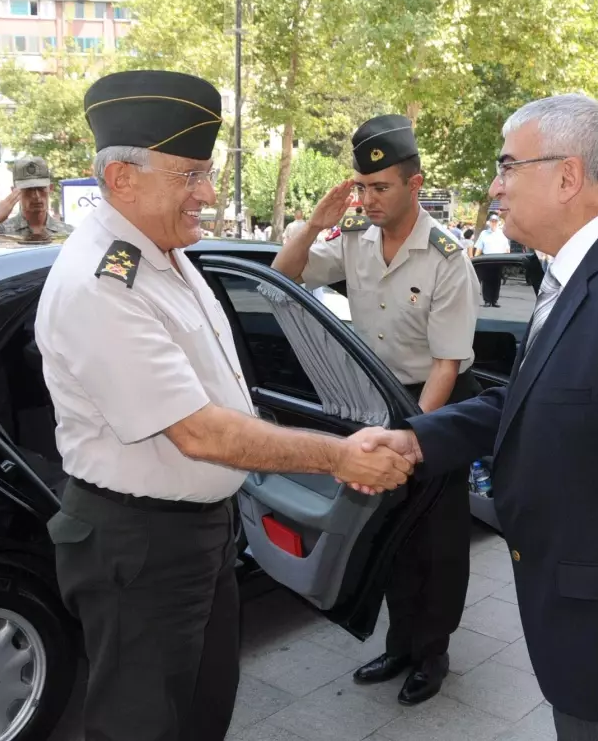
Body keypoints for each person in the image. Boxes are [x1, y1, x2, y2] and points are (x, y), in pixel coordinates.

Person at [35, 70, 413, 741]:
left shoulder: (166, 254)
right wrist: (338, 454)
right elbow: (203, 433)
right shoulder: (103, 282)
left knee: (204, 708)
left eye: (207, 173)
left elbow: (220, 388)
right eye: (190, 175)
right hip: (139, 544)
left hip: (197, 531)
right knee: (141, 723)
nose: (207, 194)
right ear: (122, 179)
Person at [359, 94, 598, 741]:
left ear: (567, 176)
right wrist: (414, 439)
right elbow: (532, 398)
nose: (494, 185)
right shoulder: (583, 269)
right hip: (588, 628)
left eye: (508, 166)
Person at [272, 114, 481, 706]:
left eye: (380, 188)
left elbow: (445, 364)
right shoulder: (356, 240)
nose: (367, 200)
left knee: (436, 542)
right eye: (362, 188)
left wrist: (410, 438)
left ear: (415, 186)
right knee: (387, 530)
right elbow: (284, 275)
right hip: (377, 404)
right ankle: (399, 643)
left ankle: (432, 652)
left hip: (435, 407)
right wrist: (316, 223)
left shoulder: (446, 257)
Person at [0, 156, 72, 239]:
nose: (36, 196)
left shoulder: (67, 233)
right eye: (28, 189)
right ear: (14, 191)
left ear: (50, 188)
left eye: (41, 188)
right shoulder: (2, 232)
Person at [474, 214, 510, 306]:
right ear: (489, 222)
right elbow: (479, 248)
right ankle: (487, 300)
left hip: (499, 259)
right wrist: (475, 259)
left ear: (498, 222)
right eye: (492, 221)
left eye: (495, 221)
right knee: (486, 280)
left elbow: (507, 248)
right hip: (487, 259)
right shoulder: (484, 233)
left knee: (497, 280)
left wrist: (508, 260)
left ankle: (494, 300)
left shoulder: (503, 233)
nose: (493, 223)